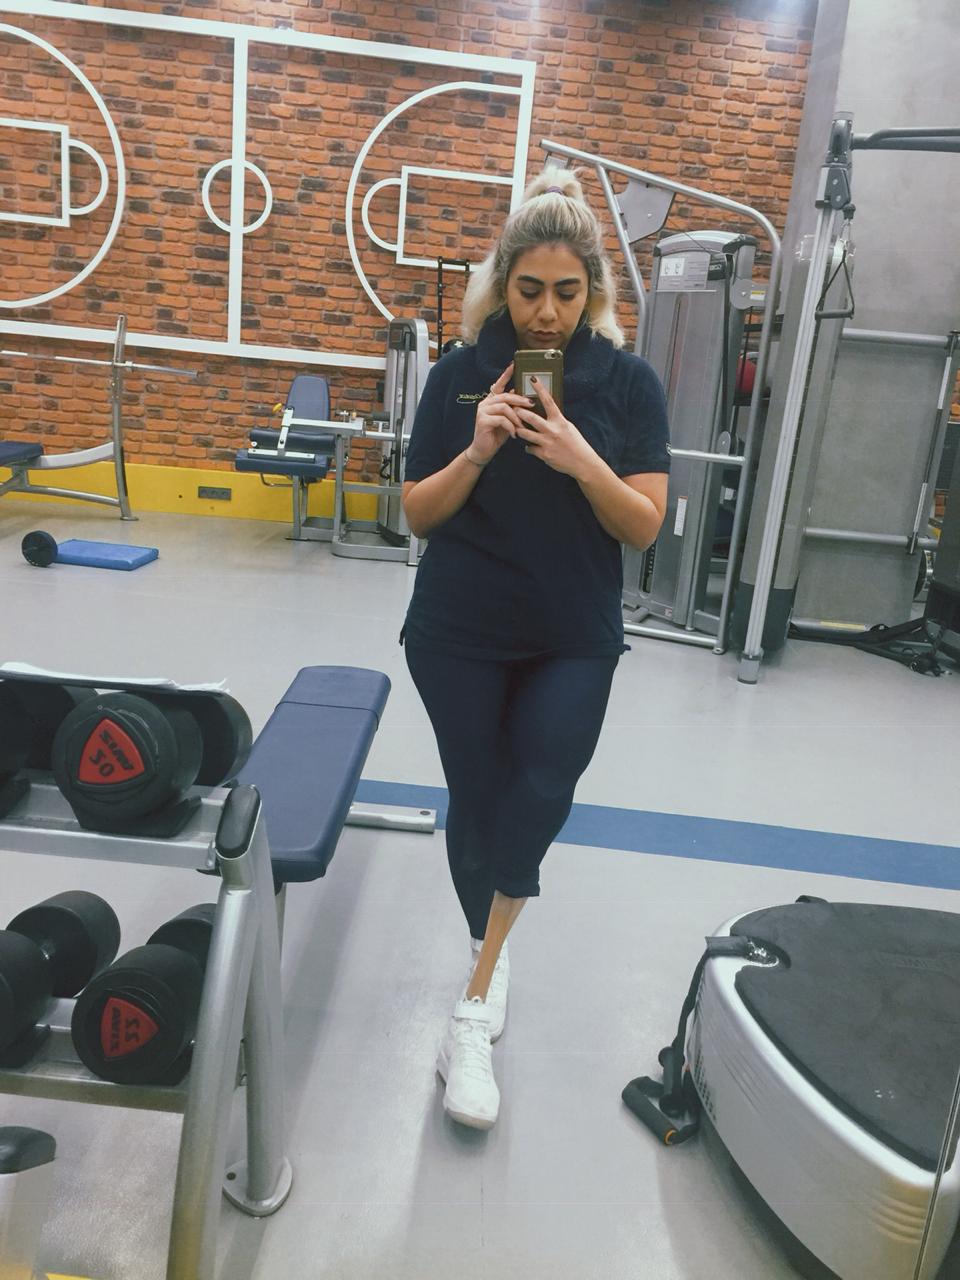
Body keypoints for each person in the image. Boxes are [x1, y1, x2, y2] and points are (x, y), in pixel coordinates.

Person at [400, 165, 670, 1131]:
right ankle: (494, 945)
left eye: (565, 292)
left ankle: (470, 1011)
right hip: (458, 631)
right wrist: (476, 447)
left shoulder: (628, 384)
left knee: (542, 789)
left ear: (592, 290)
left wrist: (581, 458)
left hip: (571, 634)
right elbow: (416, 512)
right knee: (476, 802)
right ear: (501, 284)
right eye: (527, 291)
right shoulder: (457, 376)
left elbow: (643, 525)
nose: (546, 313)